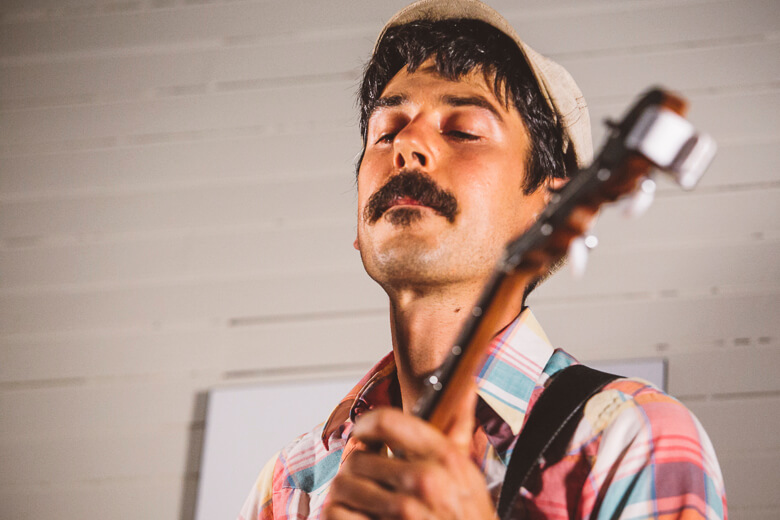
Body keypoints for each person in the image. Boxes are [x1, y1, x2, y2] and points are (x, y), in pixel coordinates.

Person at [239, 1, 727, 518]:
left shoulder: (627, 437)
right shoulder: (295, 481)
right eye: (386, 131)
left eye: (463, 130)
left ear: (547, 205)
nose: (407, 145)